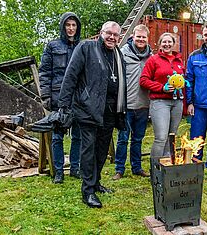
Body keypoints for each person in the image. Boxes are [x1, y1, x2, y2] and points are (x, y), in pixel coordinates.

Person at [58, 21, 127, 208]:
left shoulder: (118, 55)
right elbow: (71, 75)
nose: (112, 37)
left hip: (110, 111)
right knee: (88, 150)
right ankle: (87, 191)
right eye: (109, 33)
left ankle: (95, 183)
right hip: (88, 108)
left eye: (116, 35)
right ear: (101, 33)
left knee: (102, 150)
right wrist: (63, 105)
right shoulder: (86, 48)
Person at [38, 12, 81, 184]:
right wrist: (46, 95)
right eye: (68, 25)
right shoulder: (52, 46)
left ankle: (75, 168)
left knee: (77, 135)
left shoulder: (82, 46)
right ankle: (58, 171)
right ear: (63, 27)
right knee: (57, 136)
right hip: (58, 96)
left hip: (77, 97)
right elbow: (44, 72)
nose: (71, 28)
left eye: (74, 25)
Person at [113, 25, 152, 180]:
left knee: (138, 139)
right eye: (138, 37)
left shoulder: (152, 56)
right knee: (123, 138)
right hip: (126, 104)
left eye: (144, 37)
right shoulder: (123, 53)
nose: (141, 40)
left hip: (143, 104)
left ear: (147, 39)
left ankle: (137, 167)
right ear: (132, 37)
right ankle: (119, 169)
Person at [140, 33, 185, 157]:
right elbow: (143, 80)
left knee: (172, 137)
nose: (167, 44)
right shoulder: (153, 60)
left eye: (169, 42)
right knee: (161, 137)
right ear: (159, 44)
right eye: (164, 42)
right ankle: (156, 169)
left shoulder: (179, 61)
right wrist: (161, 88)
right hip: (160, 102)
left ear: (173, 44)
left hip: (177, 102)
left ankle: (167, 168)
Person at [186, 23, 207, 181]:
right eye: (206, 35)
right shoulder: (194, 56)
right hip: (199, 106)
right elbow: (189, 81)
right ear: (202, 36)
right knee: (196, 139)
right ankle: (195, 167)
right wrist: (189, 102)